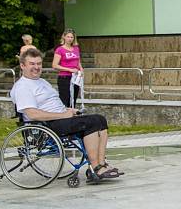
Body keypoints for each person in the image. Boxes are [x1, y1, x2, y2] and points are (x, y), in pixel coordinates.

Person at [12, 48, 122, 182]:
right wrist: (63, 115)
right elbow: (33, 114)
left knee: (100, 119)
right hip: (47, 125)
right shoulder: (23, 87)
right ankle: (95, 167)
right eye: (32, 64)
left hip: (59, 118)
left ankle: (101, 163)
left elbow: (52, 104)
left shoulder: (41, 82)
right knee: (91, 122)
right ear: (22, 65)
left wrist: (69, 110)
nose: (36, 67)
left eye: (39, 64)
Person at [52, 28, 83, 108]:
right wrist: (70, 70)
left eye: (71, 37)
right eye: (68, 37)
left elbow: (78, 62)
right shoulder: (60, 49)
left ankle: (72, 118)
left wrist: (81, 70)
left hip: (76, 78)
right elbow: (54, 65)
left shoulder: (76, 48)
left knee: (73, 99)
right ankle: (64, 118)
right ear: (64, 37)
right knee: (65, 100)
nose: (70, 39)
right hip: (64, 77)